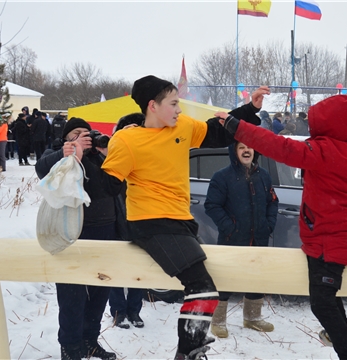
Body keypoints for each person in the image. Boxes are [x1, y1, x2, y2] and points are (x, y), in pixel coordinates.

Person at [215, 94, 347, 360]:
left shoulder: (321, 150)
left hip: (327, 240)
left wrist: (237, 126)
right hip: (334, 238)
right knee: (327, 293)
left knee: (321, 303)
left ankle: (346, 352)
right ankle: (343, 334)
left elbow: (277, 145)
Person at [101, 75, 268, 360]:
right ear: (152, 106)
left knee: (203, 287)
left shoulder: (182, 127)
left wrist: (249, 109)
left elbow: (217, 133)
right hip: (151, 223)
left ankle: (191, 349)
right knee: (203, 288)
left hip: (180, 221)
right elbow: (107, 186)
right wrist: (90, 156)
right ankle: (189, 351)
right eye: (174, 103)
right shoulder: (128, 139)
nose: (180, 109)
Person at [35, 117, 118, 360]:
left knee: (100, 291)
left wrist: (109, 152)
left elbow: (115, 186)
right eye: (77, 133)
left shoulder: (99, 157)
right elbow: (42, 168)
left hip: (106, 232)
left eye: (87, 133)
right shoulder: (59, 154)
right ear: (66, 138)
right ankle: (70, 348)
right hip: (73, 234)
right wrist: (68, 153)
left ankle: (90, 341)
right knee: (72, 296)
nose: (85, 136)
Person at [204, 141, 278, 338]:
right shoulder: (222, 177)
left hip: (259, 237)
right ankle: (218, 320)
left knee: (256, 276)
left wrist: (268, 224)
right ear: (234, 151)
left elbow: (273, 202)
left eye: (250, 147)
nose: (247, 150)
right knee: (225, 278)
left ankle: (252, 318)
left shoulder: (263, 176)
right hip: (232, 239)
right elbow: (212, 205)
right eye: (241, 147)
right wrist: (230, 227)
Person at [108, 113, 147, 330]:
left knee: (138, 270)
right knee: (116, 270)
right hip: (115, 220)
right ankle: (117, 312)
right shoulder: (114, 154)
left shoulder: (148, 154)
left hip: (141, 221)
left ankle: (134, 310)